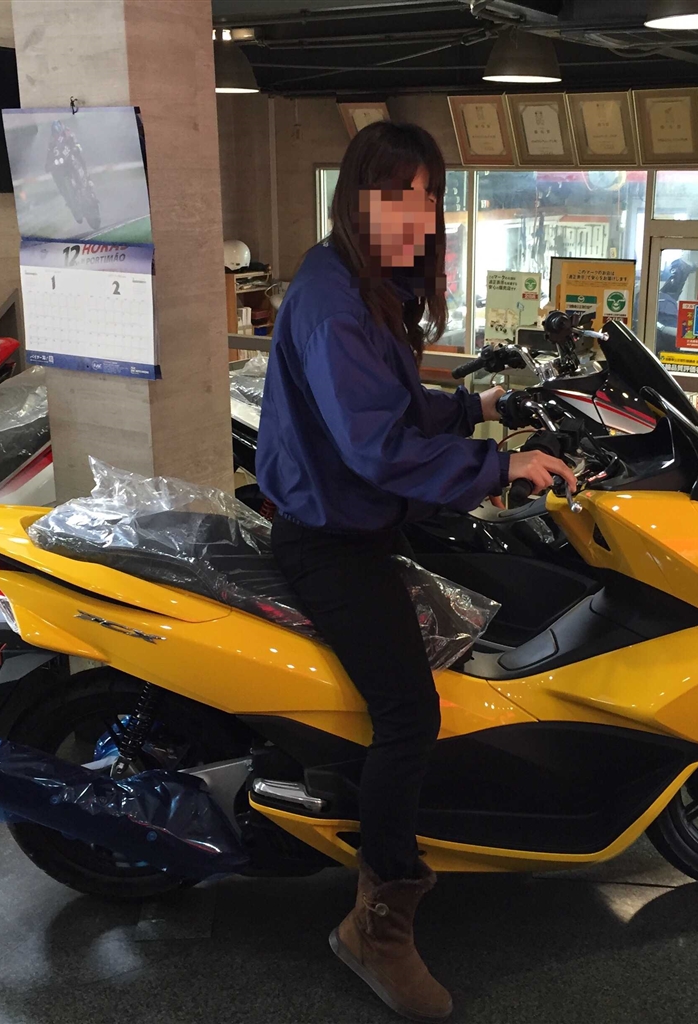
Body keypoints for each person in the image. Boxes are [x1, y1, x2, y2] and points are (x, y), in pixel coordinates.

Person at [256, 121, 575, 1021]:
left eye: (428, 196)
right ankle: (377, 924)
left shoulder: (359, 285)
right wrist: (501, 463)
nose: (418, 215)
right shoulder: (333, 301)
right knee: (409, 713)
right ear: (357, 199)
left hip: (359, 521)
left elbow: (390, 406)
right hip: (329, 538)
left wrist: (478, 404)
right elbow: (376, 447)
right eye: (396, 194)